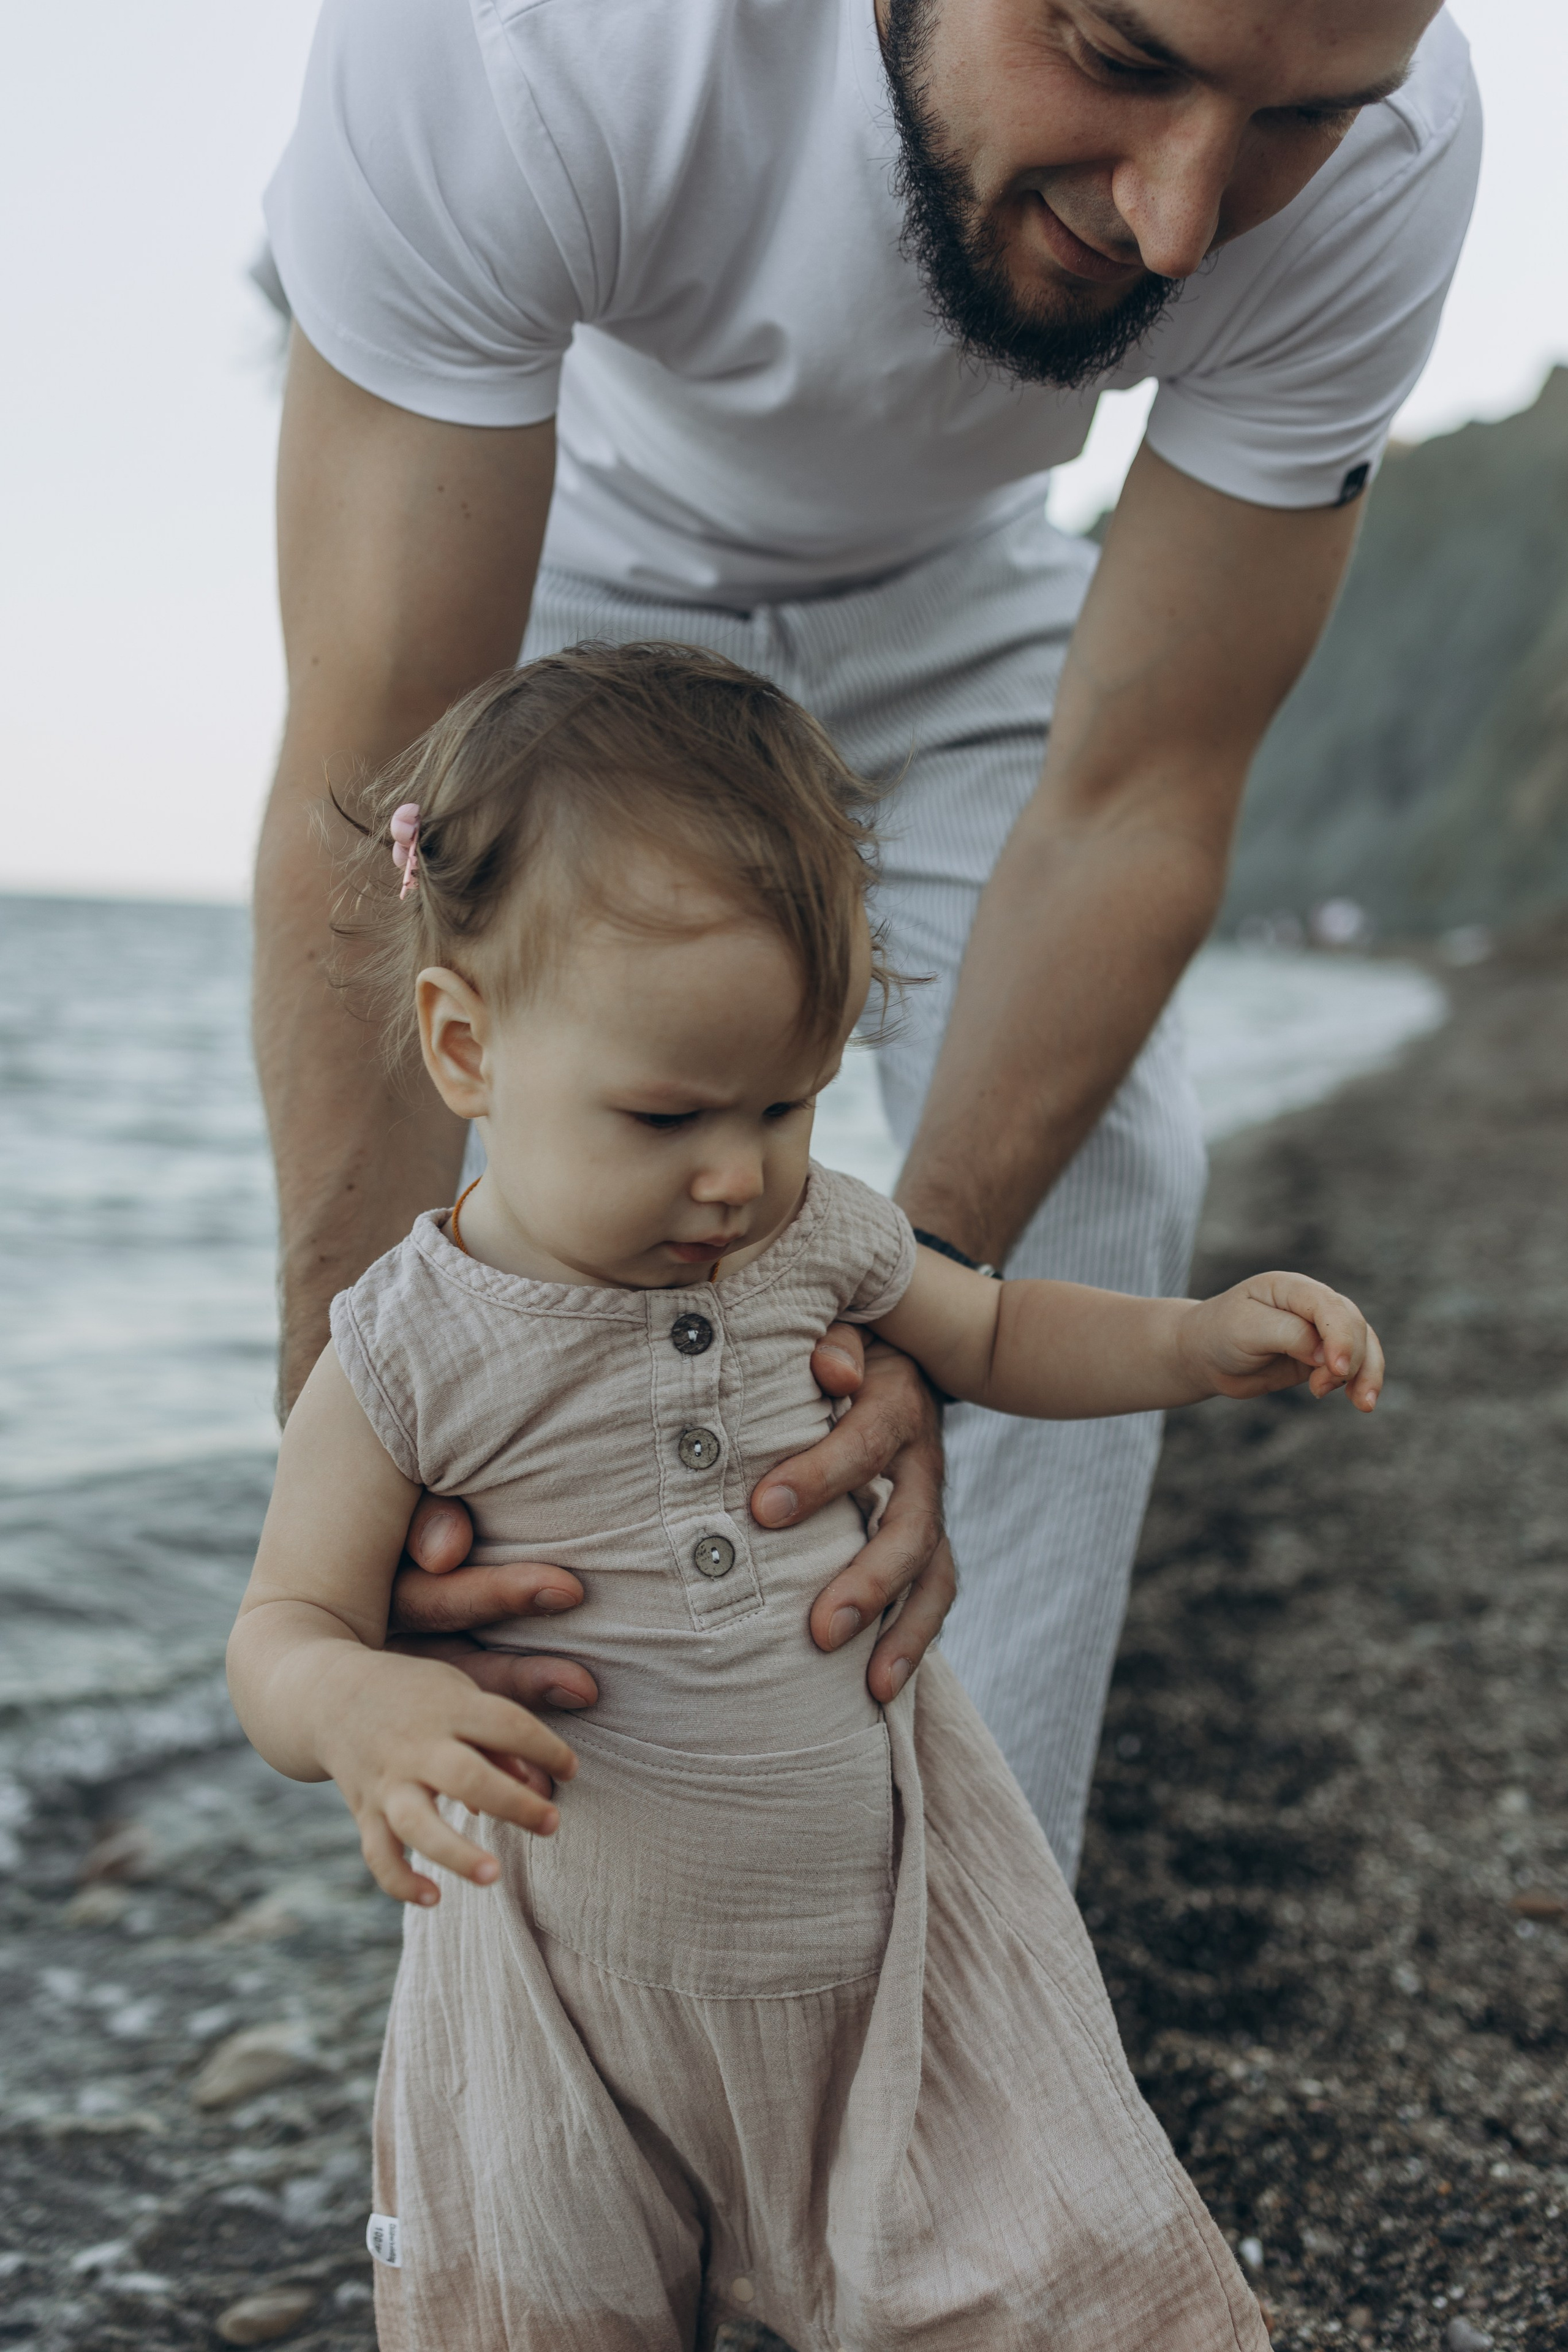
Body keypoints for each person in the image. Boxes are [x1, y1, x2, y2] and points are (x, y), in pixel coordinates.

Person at [255, 0, 1477, 1877]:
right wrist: (333, 1494)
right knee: (574, 1180)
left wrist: (931, 1310)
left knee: (1112, 1165)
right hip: (568, 575)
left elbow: (1138, 796)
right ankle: (543, 1912)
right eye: (1123, 57)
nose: (1179, 220)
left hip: (962, 616)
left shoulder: (1391, 141)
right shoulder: (526, 41)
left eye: (1294, 122)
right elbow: (370, 779)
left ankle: (977, 1968)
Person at [229, 644, 1383, 2350]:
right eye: (666, 1112)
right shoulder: (408, 1349)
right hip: (566, 1993)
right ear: (465, 1045)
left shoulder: (813, 1235)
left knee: (1045, 2278)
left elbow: (991, 1327)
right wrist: (361, 1703)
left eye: (788, 1101)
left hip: (883, 1946)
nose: (734, 1171)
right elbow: (279, 1630)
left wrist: (1195, 1341)